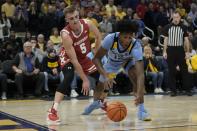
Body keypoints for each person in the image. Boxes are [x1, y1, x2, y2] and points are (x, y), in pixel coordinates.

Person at [82, 20, 151, 121]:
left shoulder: (136, 46)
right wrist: (106, 76)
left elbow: (141, 74)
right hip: (112, 62)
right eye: (125, 37)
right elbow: (96, 59)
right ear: (119, 35)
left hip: (127, 61)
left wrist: (140, 93)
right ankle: (96, 103)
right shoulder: (110, 39)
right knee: (100, 86)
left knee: (136, 77)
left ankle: (141, 110)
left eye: (130, 37)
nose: (127, 40)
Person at [47, 5, 102, 124]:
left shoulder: (88, 23)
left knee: (102, 78)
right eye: (71, 18)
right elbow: (74, 60)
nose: (75, 20)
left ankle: (99, 102)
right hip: (68, 57)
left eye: (76, 17)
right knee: (68, 77)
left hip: (83, 56)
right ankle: (53, 111)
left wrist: (96, 54)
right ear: (67, 20)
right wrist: (85, 80)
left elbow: (98, 36)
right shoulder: (65, 34)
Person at [163, 11, 192, 96]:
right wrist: (164, 51)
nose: (176, 19)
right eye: (174, 17)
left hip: (180, 49)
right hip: (171, 49)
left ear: (180, 18)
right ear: (172, 17)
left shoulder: (183, 27)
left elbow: (186, 40)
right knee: (171, 71)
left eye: (177, 17)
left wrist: (187, 52)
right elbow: (165, 40)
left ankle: (188, 90)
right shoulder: (167, 27)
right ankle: (173, 91)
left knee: (184, 70)